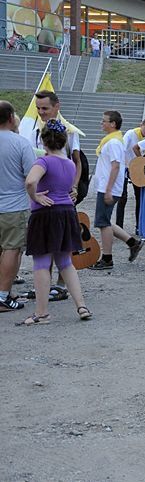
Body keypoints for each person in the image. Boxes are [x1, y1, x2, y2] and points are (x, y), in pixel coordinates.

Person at [19, 119, 92, 325]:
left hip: (45, 214)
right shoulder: (69, 163)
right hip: (66, 213)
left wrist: (35, 196)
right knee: (65, 262)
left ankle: (42, 314)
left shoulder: (43, 161)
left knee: (42, 263)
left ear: (43, 141)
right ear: (64, 141)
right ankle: (81, 305)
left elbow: (30, 181)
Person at [89, 111, 145, 270]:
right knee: (104, 220)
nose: (101, 123)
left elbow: (115, 166)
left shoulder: (113, 143)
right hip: (107, 187)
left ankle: (107, 259)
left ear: (113, 124)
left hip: (109, 188)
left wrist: (108, 190)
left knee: (102, 222)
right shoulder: (112, 141)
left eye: (104, 121)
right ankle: (133, 243)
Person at [0, 101, 34, 312]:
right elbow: (31, 177)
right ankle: (3, 296)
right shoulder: (21, 143)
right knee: (12, 250)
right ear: (12, 118)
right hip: (14, 206)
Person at [116, 117, 145, 233]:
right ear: (141, 125)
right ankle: (119, 227)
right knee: (122, 197)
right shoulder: (130, 134)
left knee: (140, 196)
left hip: (138, 169)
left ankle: (139, 226)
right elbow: (122, 149)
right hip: (125, 166)